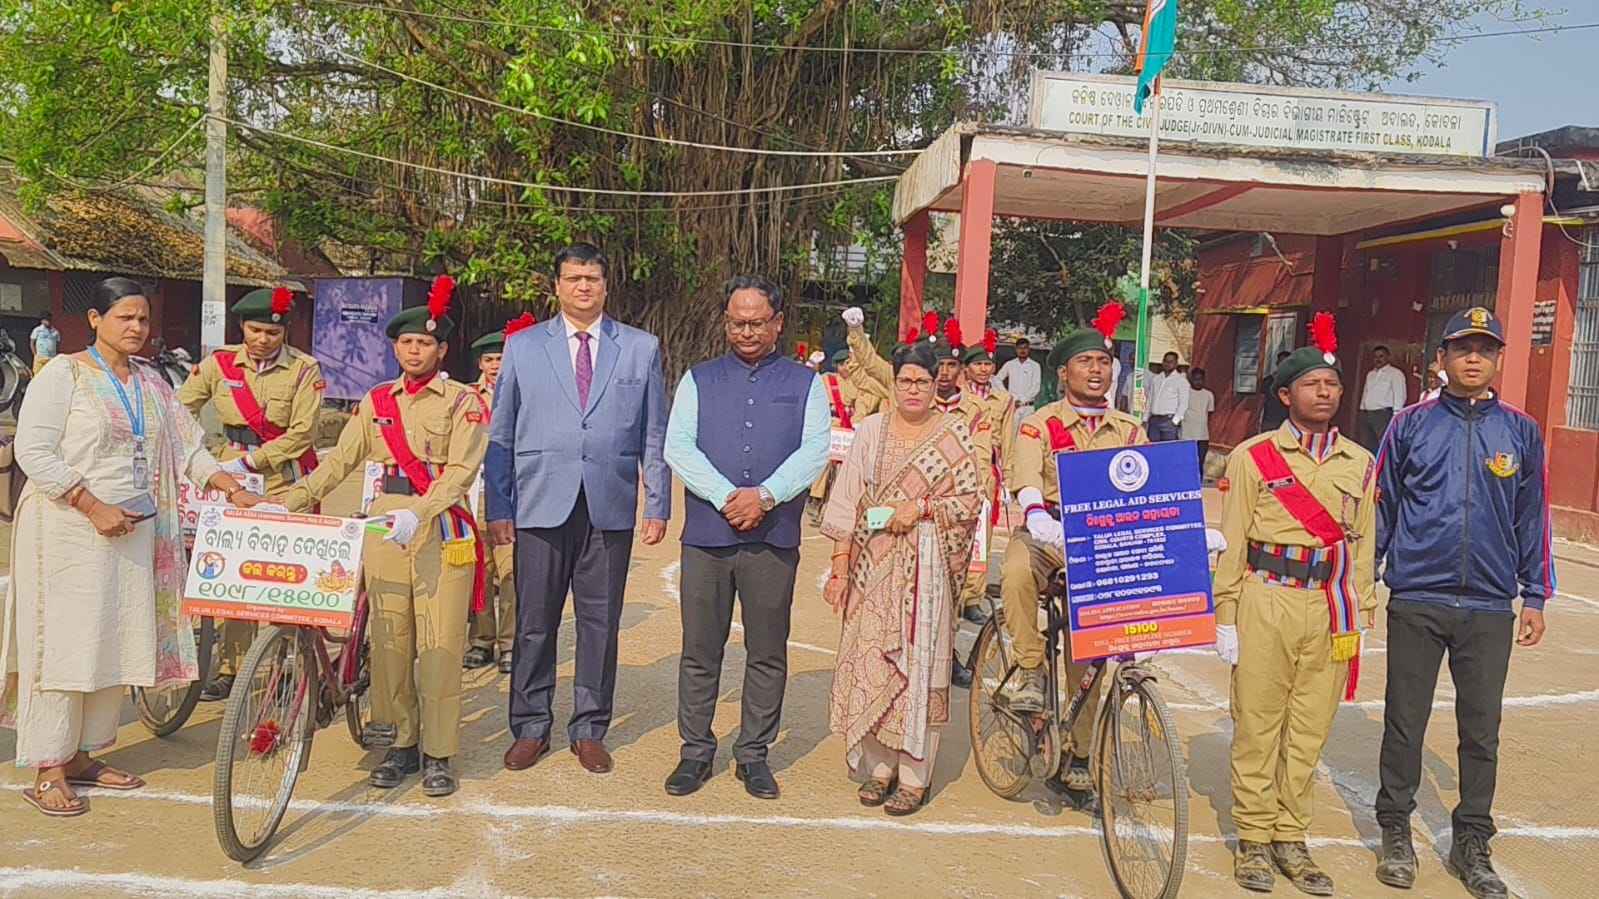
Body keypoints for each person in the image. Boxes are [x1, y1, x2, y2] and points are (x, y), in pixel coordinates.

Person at [2, 277, 261, 817]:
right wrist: (91, 505)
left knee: (110, 640)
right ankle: (49, 767)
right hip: (67, 533)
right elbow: (33, 450)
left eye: (143, 318)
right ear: (95, 319)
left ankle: (82, 755)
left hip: (132, 534)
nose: (137, 327)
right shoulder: (64, 374)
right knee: (65, 644)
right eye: (125, 317)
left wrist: (230, 487)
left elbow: (189, 447)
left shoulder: (151, 382)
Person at [278, 277, 487, 797]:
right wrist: (290, 501)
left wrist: (421, 511)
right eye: (406, 342)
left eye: (425, 343)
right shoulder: (375, 401)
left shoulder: (463, 402)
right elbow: (339, 463)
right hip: (385, 526)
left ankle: (439, 751)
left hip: (441, 526)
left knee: (440, 645)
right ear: (395, 348)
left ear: (441, 350)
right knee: (390, 641)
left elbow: (461, 472)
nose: (414, 351)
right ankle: (403, 743)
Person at [1372, 307, 1551, 899]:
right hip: (1417, 597)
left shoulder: (1521, 431)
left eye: (1485, 349)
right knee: (1405, 721)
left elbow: (1533, 516)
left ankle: (1472, 841)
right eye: (1462, 348)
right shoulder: (1409, 425)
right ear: (1442, 358)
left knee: (1481, 730)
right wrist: (1364, 581)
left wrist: (1535, 594)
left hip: (1489, 605)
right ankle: (1396, 831)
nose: (1474, 358)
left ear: (1498, 359)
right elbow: (1382, 504)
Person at [487, 244, 670, 776]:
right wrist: (499, 504)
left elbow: (653, 431)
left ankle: (589, 729)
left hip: (608, 504)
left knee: (599, 623)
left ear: (606, 285)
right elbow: (501, 431)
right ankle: (530, 726)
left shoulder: (640, 348)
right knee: (534, 622)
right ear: (557, 286)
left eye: (592, 278)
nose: (583, 287)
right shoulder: (523, 347)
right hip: (539, 501)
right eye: (573, 278)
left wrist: (656, 502)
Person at [1212, 314, 1376, 896]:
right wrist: (1226, 615)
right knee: (1258, 725)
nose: (1324, 393)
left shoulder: (1359, 462)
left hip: (1329, 605)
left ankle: (1291, 838)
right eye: (1311, 384)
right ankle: (1255, 840)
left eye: (1332, 384)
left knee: (1309, 730)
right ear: (1286, 395)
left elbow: (1363, 544)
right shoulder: (1254, 456)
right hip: (1267, 599)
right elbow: (1232, 540)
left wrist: (1362, 610)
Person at [661, 276, 829, 800]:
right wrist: (727, 496)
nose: (747, 332)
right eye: (738, 323)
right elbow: (677, 446)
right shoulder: (698, 380)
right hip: (707, 537)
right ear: (725, 323)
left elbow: (814, 450)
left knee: (767, 649)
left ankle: (753, 754)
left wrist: (767, 496)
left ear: (778, 323)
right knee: (699, 648)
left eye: (757, 322)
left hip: (772, 538)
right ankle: (695, 750)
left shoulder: (807, 385)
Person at [820, 340, 981, 816]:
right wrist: (840, 568)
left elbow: (970, 501)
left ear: (936, 386)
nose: (913, 389)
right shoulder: (871, 430)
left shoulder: (954, 434)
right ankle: (879, 768)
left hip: (926, 575)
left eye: (922, 382)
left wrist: (923, 508)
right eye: (905, 380)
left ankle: (914, 776)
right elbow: (847, 501)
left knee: (920, 668)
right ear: (893, 383)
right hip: (872, 566)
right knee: (871, 660)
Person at [1001, 307, 1146, 797]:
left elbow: (1153, 487)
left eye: (1103, 362)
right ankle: (1029, 668)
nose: (1096, 370)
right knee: (1016, 570)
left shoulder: (1129, 430)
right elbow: (1025, 474)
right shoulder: (1039, 425)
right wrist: (1035, 511)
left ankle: (1078, 752)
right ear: (1064, 373)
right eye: (1085, 362)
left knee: (1090, 651)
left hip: (1105, 544)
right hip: (1049, 533)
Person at [178, 286, 323, 701]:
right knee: (234, 573)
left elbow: (303, 433)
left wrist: (251, 462)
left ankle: (286, 663)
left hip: (284, 479)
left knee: (285, 573)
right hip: (230, 477)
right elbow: (179, 409)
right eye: (255, 330)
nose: (262, 339)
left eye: (272, 333)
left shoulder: (304, 370)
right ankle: (233, 667)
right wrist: (199, 454)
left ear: (285, 333)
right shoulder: (220, 364)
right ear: (241, 326)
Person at [462, 322, 527, 674]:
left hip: (511, 493)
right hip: (473, 493)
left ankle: (510, 642)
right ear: (479, 364)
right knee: (480, 571)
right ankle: (481, 640)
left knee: (511, 571)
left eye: (500, 358)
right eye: (488, 360)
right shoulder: (465, 397)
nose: (495, 366)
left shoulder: (525, 392)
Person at [959, 329, 1016, 624]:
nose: (983, 369)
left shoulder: (1004, 399)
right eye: (978, 364)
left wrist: (1008, 479)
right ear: (966, 368)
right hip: (956, 468)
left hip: (986, 472)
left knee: (982, 537)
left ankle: (972, 598)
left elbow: (1007, 441)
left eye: (987, 364)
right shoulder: (957, 396)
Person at [808, 348, 880, 523]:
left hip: (853, 428)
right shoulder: (827, 380)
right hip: (831, 426)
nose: (846, 367)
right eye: (842, 364)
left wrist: (856, 422)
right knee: (824, 462)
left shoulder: (862, 382)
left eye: (848, 363)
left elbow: (865, 404)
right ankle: (816, 498)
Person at [1358, 344, 1407, 449]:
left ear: (1388, 357)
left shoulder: (1395, 373)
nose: (1378, 359)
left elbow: (1400, 395)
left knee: (1384, 444)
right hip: (1368, 413)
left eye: (1381, 356)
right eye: (1376, 357)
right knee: (1367, 444)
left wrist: (1396, 415)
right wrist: (1362, 410)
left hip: (1383, 415)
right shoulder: (1370, 374)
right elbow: (1366, 392)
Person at [996, 336, 1041, 424]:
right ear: (1016, 349)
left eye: (1025, 348)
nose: (1022, 350)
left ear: (1029, 349)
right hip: (1013, 405)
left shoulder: (1035, 366)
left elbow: (1036, 386)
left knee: (1026, 431)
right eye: (1020, 348)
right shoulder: (1010, 364)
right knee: (1011, 431)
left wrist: (1022, 400)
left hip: (1028, 407)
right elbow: (997, 379)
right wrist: (1008, 395)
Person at [1146, 351, 1188, 441]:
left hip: (1169, 421)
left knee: (1167, 448)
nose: (1167, 364)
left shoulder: (1181, 381)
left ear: (1176, 364)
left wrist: (1175, 421)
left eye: (1171, 361)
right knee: (1152, 447)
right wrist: (1145, 418)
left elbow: (1183, 404)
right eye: (1165, 361)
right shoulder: (1156, 379)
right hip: (1154, 420)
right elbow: (1150, 399)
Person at [1181, 366, 1215, 474]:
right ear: (1191, 379)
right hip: (1186, 435)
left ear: (1204, 380)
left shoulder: (1209, 395)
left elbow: (1210, 414)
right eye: (1195, 379)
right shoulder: (1185, 393)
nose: (1198, 382)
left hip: (1202, 436)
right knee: (1186, 462)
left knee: (1199, 462)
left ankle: (1199, 482)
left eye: (1200, 379)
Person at [1261, 350, 1292, 433]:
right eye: (1281, 362)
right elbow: (1261, 401)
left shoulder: (1293, 382)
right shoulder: (1268, 381)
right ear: (1277, 363)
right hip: (1270, 421)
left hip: (1287, 422)